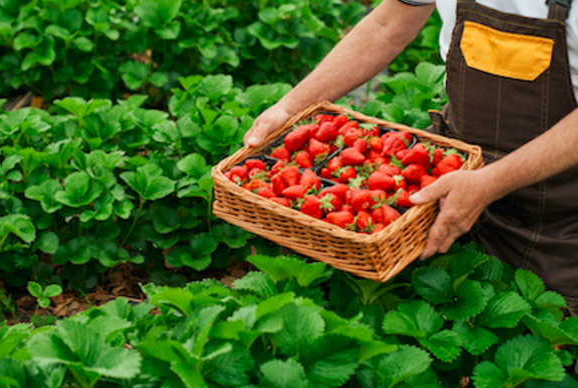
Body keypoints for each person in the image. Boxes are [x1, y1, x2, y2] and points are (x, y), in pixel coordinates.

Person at [243, 0, 578, 308]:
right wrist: (289, 107)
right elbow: (387, 26)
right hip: (447, 179)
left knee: (550, 331)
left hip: (563, 209)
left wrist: (490, 182)